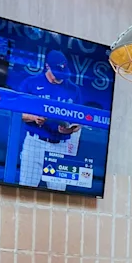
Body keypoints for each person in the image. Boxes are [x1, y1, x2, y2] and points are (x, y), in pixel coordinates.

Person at [17, 50, 82, 191]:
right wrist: (34, 118)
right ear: (47, 66)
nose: (59, 78)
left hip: (60, 146)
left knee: (58, 194)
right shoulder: (31, 83)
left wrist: (70, 128)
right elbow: (17, 113)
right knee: (26, 190)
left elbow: (80, 121)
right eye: (56, 73)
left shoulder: (73, 89)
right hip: (35, 143)